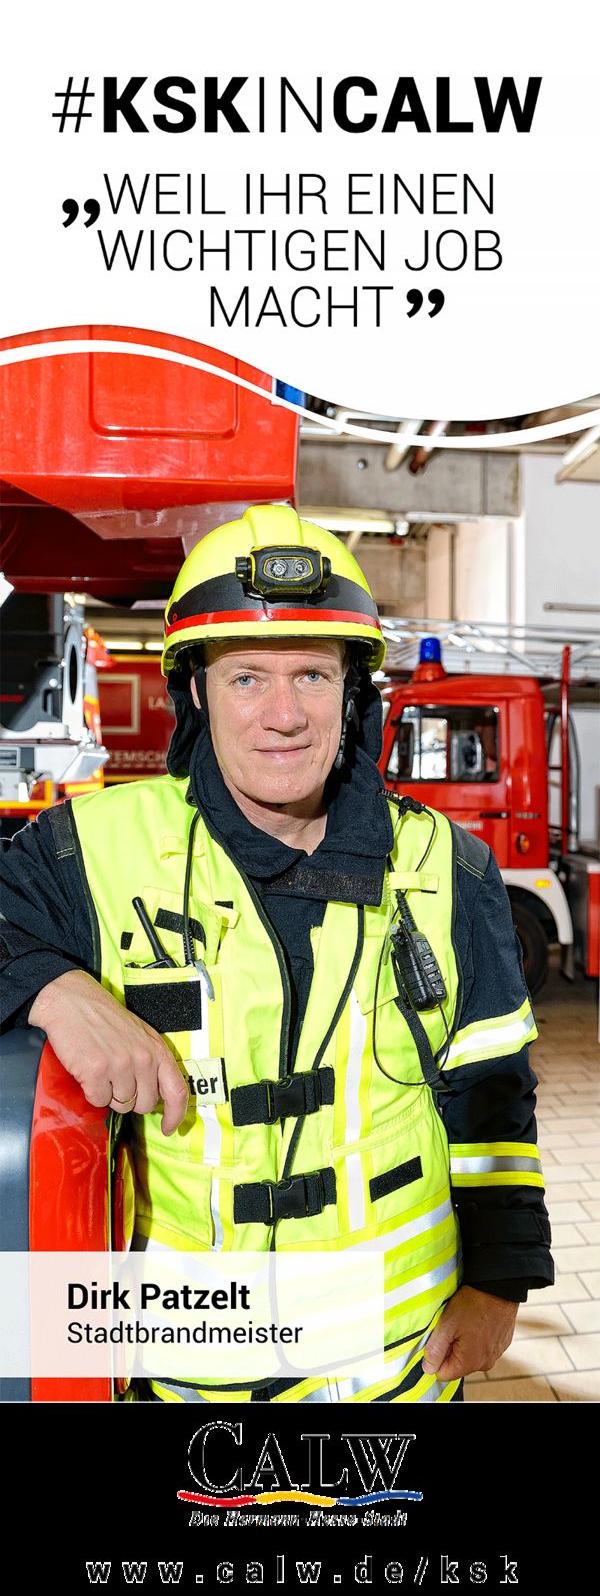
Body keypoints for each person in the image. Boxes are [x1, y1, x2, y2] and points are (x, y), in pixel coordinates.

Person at [0, 505, 553, 1403]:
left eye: (312, 675)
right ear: (195, 694)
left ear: (354, 695)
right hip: (186, 1372)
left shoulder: (450, 869)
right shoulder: (92, 851)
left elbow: (493, 1096)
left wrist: (500, 1283)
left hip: (394, 1370)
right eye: (247, 677)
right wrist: (56, 988)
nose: (284, 715)